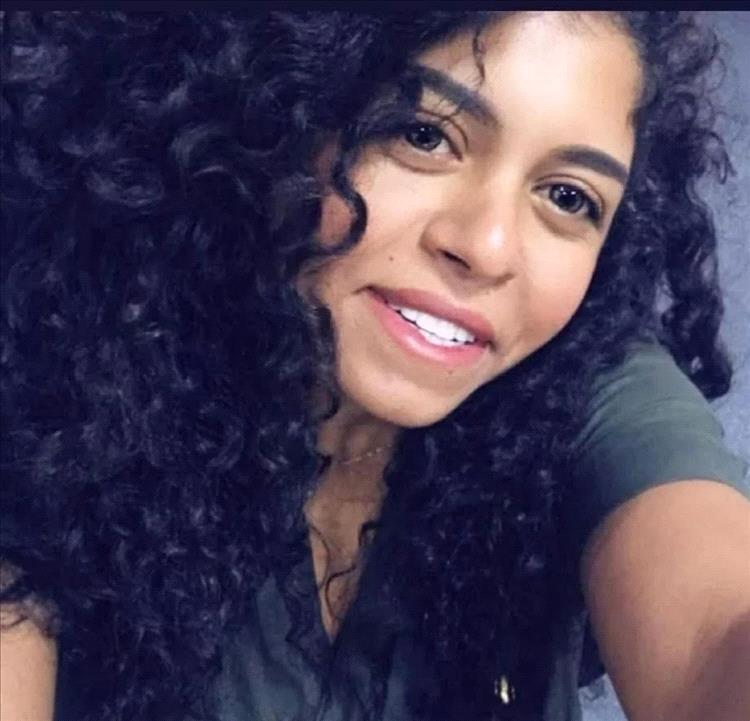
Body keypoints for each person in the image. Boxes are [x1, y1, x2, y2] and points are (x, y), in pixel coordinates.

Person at [1, 9, 748, 721]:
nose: (487, 247)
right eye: (424, 135)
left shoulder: (583, 377)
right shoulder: (52, 373)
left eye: (566, 196)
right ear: (272, 107)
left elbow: (712, 631)